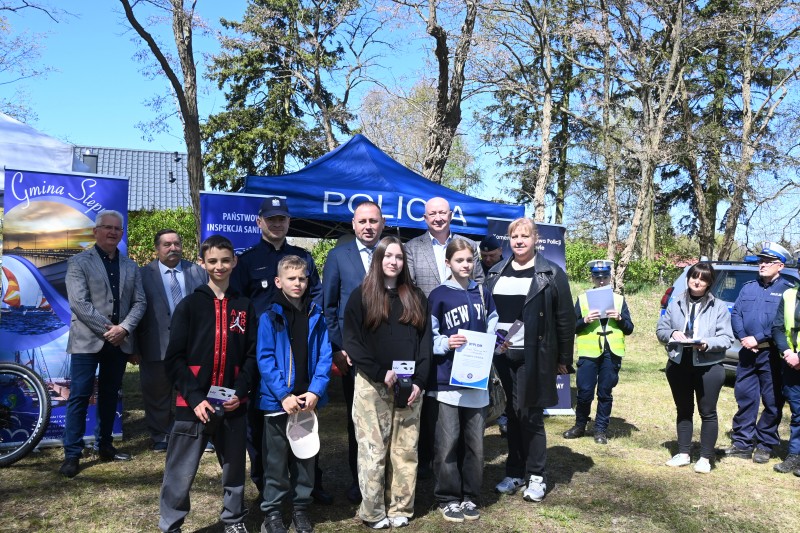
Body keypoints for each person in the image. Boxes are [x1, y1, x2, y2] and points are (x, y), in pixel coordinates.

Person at [231, 196, 329, 503]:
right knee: (262, 424)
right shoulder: (247, 261)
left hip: (298, 346)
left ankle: (311, 484)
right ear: (259, 222)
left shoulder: (303, 258)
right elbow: (239, 306)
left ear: (289, 222)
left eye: (282, 219)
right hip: (262, 352)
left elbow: (316, 297)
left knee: (306, 420)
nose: (277, 224)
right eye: (271, 219)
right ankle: (266, 485)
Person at [158, 235, 257, 533]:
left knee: (234, 468)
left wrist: (240, 392)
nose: (219, 266)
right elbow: (174, 359)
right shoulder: (189, 306)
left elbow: (252, 356)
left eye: (225, 260)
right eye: (212, 261)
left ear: (234, 261)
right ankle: (171, 524)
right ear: (202, 263)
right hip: (194, 404)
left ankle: (233, 519)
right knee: (180, 470)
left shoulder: (245, 306)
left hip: (232, 404)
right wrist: (195, 397)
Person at [343, 236, 431, 529]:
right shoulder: (361, 295)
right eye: (388, 256)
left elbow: (425, 344)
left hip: (409, 387)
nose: (394, 262)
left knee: (405, 451)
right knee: (373, 451)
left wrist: (419, 381)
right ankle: (372, 511)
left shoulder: (416, 296)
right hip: (372, 386)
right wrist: (380, 372)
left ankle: (400, 507)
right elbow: (351, 341)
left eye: (399, 257)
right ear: (378, 259)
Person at [485, 217, 574, 502]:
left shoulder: (551, 273)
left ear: (535, 239)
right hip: (501, 356)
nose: (519, 241)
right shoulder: (495, 271)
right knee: (511, 415)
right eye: (515, 237)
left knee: (530, 415)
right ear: (508, 241)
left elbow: (565, 318)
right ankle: (514, 472)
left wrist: (564, 357)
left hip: (534, 355)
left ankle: (536, 475)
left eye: (525, 236)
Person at [59, 210, 147, 478]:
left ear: (122, 233)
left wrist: (125, 329)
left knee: (110, 395)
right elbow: (79, 303)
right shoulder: (78, 262)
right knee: (79, 395)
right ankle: (72, 453)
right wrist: (110, 330)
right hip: (88, 340)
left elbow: (140, 302)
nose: (112, 232)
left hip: (119, 341)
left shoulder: (131, 266)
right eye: (107, 227)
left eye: (117, 229)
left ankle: (105, 445)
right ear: (95, 231)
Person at [405, 196, 482, 476]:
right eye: (432, 214)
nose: (438, 218)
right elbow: (410, 288)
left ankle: (457, 457)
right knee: (429, 398)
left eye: (442, 213)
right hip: (426, 331)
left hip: (463, 338)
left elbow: (479, 285)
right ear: (425, 218)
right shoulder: (412, 247)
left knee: (459, 400)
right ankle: (429, 458)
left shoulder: (468, 245)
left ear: (450, 215)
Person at [257, 255, 332, 533]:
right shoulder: (269, 317)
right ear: (279, 281)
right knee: (275, 462)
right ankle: (273, 513)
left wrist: (315, 390)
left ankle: (301, 509)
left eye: (302, 278)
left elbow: (325, 356)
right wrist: (283, 395)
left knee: (305, 459)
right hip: (279, 403)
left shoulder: (316, 315)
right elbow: (265, 359)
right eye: (291, 278)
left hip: (307, 402)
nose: (298, 283)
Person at [428, 239, 500, 523]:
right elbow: (429, 336)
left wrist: (492, 344)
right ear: (448, 263)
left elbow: (493, 324)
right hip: (447, 382)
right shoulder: (438, 295)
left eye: (470, 260)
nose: (465, 265)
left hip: (477, 381)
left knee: (475, 444)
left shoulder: (483, 292)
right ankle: (448, 498)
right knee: (447, 443)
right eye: (459, 260)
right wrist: (446, 342)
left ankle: (470, 495)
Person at [321, 201, 385, 504]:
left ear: (382, 224)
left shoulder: (391, 254)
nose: (368, 226)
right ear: (354, 224)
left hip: (387, 352)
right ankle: (360, 481)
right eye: (363, 221)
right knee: (358, 420)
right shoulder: (338, 256)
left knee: (386, 418)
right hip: (352, 354)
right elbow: (328, 307)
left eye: (373, 221)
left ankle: (384, 479)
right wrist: (338, 348)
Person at [656, 262, 733, 473]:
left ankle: (705, 458)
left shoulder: (719, 307)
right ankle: (683, 453)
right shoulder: (676, 302)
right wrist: (672, 334)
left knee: (707, 412)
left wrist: (706, 343)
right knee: (683, 409)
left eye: (703, 279)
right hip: (679, 364)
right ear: (688, 278)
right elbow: (661, 329)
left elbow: (726, 338)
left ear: (709, 283)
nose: (697, 282)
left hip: (708, 366)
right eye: (694, 277)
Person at [135, 229, 207, 452]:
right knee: (157, 393)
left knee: (197, 388)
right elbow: (134, 309)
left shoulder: (197, 272)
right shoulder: (142, 274)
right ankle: (161, 435)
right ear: (157, 248)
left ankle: (200, 433)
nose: (173, 248)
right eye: (167, 244)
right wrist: (133, 347)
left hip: (194, 344)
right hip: (155, 343)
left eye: (176, 243)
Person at [725, 242, 794, 463]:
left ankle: (765, 444)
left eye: (768, 262)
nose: (762, 265)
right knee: (745, 397)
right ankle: (742, 443)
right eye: (761, 261)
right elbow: (736, 314)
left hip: (772, 354)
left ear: (780, 266)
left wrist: (759, 338)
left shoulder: (787, 290)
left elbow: (780, 323)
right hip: (747, 352)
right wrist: (743, 337)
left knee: (772, 401)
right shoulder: (748, 287)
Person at [563, 260, 634, 445]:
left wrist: (619, 318)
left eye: (605, 277)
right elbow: (570, 327)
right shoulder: (582, 299)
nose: (601, 281)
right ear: (592, 278)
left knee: (605, 392)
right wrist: (585, 320)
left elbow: (629, 328)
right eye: (597, 278)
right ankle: (580, 426)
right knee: (585, 392)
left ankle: (600, 430)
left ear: (610, 278)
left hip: (612, 352)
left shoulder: (619, 300)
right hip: (589, 352)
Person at [770, 270, 800, 475]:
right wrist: (788, 352)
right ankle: (795, 455)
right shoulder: (789, 294)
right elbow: (778, 327)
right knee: (798, 412)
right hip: (791, 362)